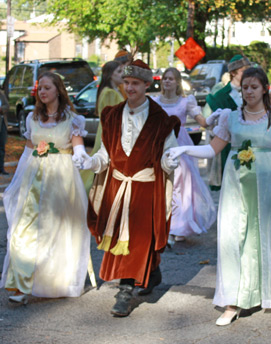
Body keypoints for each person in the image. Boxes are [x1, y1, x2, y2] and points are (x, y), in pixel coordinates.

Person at [169, 67, 271, 326]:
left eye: (254, 87)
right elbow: (211, 149)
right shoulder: (230, 118)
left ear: (264, 89)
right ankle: (233, 301)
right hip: (236, 184)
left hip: (267, 183)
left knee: (267, 233)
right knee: (235, 236)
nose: (249, 92)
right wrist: (183, 148)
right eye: (245, 87)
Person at [73, 60, 181, 317]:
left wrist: (169, 160)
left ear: (146, 85)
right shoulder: (110, 115)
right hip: (117, 186)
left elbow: (168, 155)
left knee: (139, 239)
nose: (130, 88)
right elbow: (105, 155)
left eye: (135, 83)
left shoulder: (161, 120)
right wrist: (90, 161)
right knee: (128, 243)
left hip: (145, 189)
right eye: (127, 83)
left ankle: (125, 291)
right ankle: (151, 273)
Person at [0, 72, 90, 304]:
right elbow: (28, 151)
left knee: (54, 231)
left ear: (58, 90)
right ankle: (20, 285)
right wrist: (17, 182)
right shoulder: (32, 117)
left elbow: (78, 147)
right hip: (35, 178)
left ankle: (52, 281)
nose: (42, 92)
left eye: (47, 88)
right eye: (40, 88)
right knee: (23, 229)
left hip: (61, 179)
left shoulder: (71, 119)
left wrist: (81, 156)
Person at [152, 67, 217, 244]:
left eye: (171, 79)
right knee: (163, 184)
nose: (167, 81)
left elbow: (202, 121)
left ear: (177, 82)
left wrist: (212, 120)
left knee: (181, 183)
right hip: (161, 143)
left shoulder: (185, 101)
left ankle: (179, 225)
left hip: (180, 143)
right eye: (165, 78)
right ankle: (164, 224)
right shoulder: (155, 101)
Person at [205, 54, 251, 190]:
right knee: (231, 186)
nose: (248, 74)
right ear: (233, 73)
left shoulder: (253, 92)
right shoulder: (220, 97)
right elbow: (212, 125)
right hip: (229, 147)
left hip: (251, 143)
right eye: (243, 71)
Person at [80, 60, 124, 193]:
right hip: (109, 132)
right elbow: (111, 118)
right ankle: (92, 192)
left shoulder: (113, 91)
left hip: (108, 130)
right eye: (119, 72)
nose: (123, 74)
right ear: (111, 75)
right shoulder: (109, 93)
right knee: (104, 163)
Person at [0, 90, 9, 175]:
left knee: (1, 147)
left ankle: (1, 168)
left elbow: (7, 106)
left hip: (2, 123)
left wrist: (1, 109)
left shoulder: (1, 93)